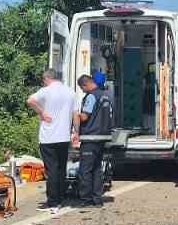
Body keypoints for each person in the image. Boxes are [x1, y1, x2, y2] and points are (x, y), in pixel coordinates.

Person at [27, 68, 79, 211]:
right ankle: (61, 198)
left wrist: (42, 112)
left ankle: (52, 202)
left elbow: (30, 100)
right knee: (61, 168)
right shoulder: (70, 92)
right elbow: (75, 114)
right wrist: (76, 132)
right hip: (64, 137)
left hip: (48, 138)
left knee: (51, 170)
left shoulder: (46, 90)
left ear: (47, 78)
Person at [75, 74, 114, 208]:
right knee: (97, 170)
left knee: (85, 170)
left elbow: (85, 117)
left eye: (82, 88)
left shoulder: (91, 96)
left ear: (85, 84)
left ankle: (86, 200)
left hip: (90, 137)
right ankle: (97, 199)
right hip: (102, 137)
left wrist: (74, 115)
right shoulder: (106, 95)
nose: (83, 91)